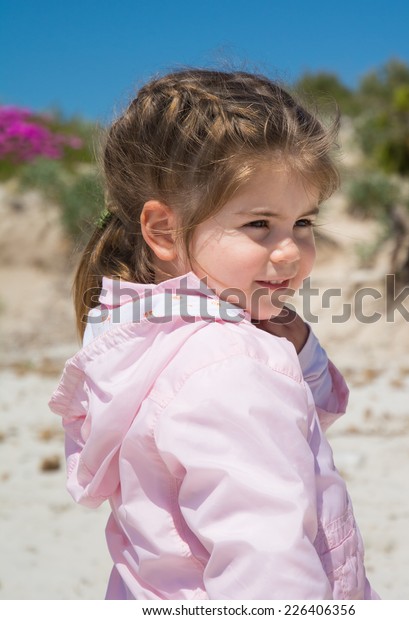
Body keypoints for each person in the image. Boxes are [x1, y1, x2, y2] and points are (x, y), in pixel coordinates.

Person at [49, 69, 378, 600]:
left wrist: (295, 349)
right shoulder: (231, 364)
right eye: (259, 225)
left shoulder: (144, 341)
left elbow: (287, 428)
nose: (291, 250)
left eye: (303, 223)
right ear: (163, 231)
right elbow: (269, 569)